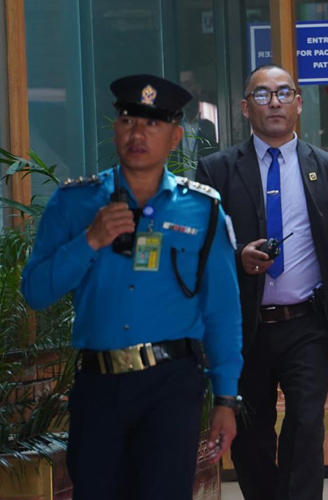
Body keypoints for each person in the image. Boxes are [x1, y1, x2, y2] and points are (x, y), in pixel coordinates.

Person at [21, 74, 243, 499]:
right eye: (128, 121)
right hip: (98, 385)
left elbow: (222, 312)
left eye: (152, 123)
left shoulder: (202, 209)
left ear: (175, 136)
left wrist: (226, 399)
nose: (137, 134)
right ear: (115, 130)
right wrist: (89, 241)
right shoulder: (75, 202)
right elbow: (35, 291)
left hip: (170, 384)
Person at [196, 64, 328, 500]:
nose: (274, 102)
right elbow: (200, 248)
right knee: (251, 436)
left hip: (307, 322)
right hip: (244, 327)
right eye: (262, 95)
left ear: (299, 103)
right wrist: (238, 257)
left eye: (284, 93)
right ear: (244, 107)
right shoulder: (217, 170)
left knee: (306, 426)